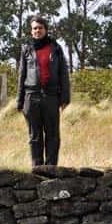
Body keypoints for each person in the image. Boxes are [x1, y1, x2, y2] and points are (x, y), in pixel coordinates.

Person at [16, 15, 70, 166]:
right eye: (34, 28)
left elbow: (63, 73)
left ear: (45, 30)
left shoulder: (56, 48)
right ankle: (37, 169)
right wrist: (20, 101)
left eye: (40, 28)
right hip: (31, 96)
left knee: (52, 135)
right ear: (31, 31)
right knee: (35, 136)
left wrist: (65, 98)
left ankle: (51, 169)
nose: (37, 31)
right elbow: (22, 75)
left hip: (51, 97)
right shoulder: (26, 49)